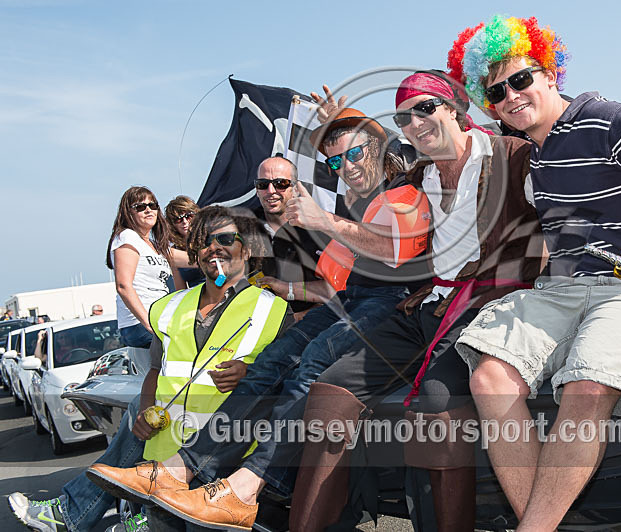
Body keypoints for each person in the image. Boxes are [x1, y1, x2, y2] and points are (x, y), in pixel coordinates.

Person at [444, 16, 621, 531]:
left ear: (550, 73)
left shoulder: (605, 117)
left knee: (589, 386)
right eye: (495, 92)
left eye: (520, 79)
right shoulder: (534, 155)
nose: (509, 96)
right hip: (563, 290)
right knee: (489, 376)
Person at [86, 108, 430, 531]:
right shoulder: (350, 205)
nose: (346, 168)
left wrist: (297, 274)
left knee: (311, 366)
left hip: (383, 306)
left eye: (355, 154)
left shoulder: (398, 193)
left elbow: (391, 251)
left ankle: (246, 486)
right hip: (347, 303)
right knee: (270, 364)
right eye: (336, 161)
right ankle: (180, 469)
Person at [286, 75, 545, 532]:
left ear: (454, 108)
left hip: (485, 308)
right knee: (330, 394)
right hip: (424, 307)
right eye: (405, 116)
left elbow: (566, 201)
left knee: (437, 409)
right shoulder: (417, 175)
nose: (415, 122)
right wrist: (341, 125)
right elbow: (371, 193)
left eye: (425, 108)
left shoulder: (513, 156)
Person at [9, 205, 293, 532]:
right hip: (163, 466)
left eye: (225, 239)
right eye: (203, 242)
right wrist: (145, 410)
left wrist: (247, 373)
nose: (213, 248)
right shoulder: (169, 308)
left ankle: (72, 514)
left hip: (222, 469)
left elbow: (285, 389)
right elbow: (156, 371)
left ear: (245, 248)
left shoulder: (273, 310)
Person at [251, 156, 331, 318]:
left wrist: (297, 311)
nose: (271, 191)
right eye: (263, 184)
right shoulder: (241, 226)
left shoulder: (321, 229)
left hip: (308, 322)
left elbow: (341, 288)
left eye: (280, 184)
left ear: (295, 188)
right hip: (250, 322)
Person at [106, 186, 183, 348]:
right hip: (141, 324)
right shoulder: (127, 237)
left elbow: (193, 260)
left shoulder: (155, 246)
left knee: (161, 371)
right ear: (128, 213)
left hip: (160, 319)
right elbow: (123, 286)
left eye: (152, 205)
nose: (148, 210)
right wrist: (149, 324)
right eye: (140, 207)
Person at [165, 195, 204, 287]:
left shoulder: (209, 238)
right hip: (196, 297)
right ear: (172, 225)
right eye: (178, 219)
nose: (185, 221)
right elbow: (180, 289)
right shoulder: (174, 252)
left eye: (189, 216)